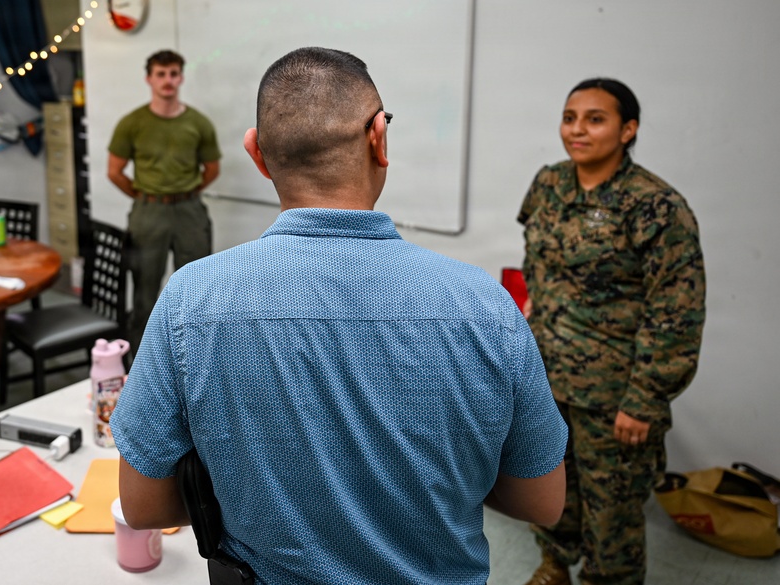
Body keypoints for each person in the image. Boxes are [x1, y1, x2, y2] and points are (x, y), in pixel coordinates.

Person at [112, 47, 568, 584]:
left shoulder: (191, 300)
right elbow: (543, 501)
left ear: (256, 155)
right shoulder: (486, 307)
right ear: (379, 137)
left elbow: (142, 507)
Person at [518, 78, 706, 585]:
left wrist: (645, 399)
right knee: (552, 487)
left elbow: (677, 310)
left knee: (614, 515)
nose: (577, 130)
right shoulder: (549, 183)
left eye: (595, 119)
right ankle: (554, 563)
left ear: (628, 130)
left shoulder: (656, 206)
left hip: (613, 394)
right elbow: (536, 262)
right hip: (546, 378)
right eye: (569, 117)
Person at [107, 50, 221, 356]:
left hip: (189, 211)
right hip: (149, 212)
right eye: (161, 74)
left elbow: (211, 169)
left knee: (196, 289)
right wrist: (145, 196)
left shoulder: (198, 122)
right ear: (149, 78)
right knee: (145, 290)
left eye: (173, 74)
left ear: (181, 77)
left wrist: (185, 193)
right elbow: (114, 172)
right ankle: (139, 363)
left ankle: (196, 358)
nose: (167, 80)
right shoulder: (132, 123)